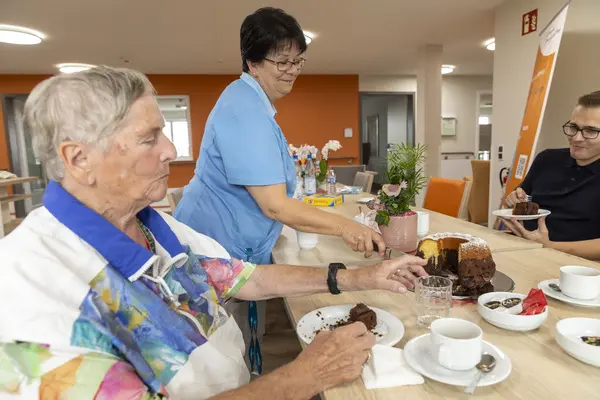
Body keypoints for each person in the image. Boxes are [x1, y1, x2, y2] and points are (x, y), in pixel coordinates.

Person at [0, 66, 428, 399]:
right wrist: (304, 376)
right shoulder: (31, 292)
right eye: (149, 138)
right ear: (79, 159)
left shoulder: (153, 223)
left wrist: (361, 277)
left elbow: (248, 277)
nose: (170, 150)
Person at [173, 6, 386, 369]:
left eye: (298, 61)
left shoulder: (253, 103)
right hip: (212, 249)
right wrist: (348, 227)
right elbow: (274, 205)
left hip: (230, 250)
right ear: (252, 63)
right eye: (281, 61)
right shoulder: (245, 110)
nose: (291, 71)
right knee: (215, 359)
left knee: (232, 348)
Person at [502, 90, 600, 261]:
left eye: (591, 131)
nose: (576, 138)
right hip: (519, 251)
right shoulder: (547, 159)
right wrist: (514, 199)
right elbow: (519, 197)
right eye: (573, 127)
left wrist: (550, 246)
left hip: (577, 267)